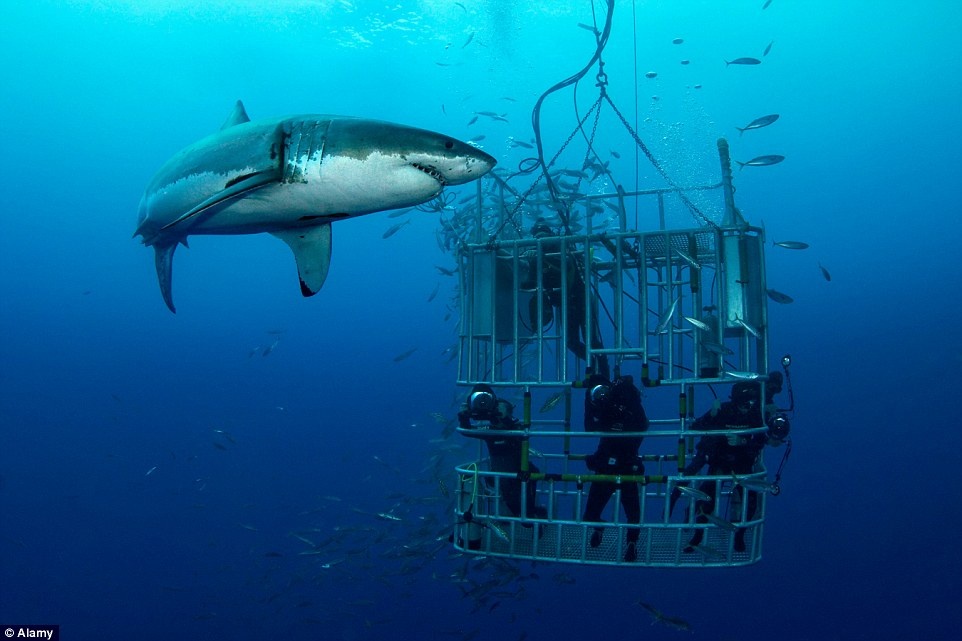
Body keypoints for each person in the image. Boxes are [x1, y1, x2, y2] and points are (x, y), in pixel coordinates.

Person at [671, 375, 785, 552]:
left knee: (751, 501)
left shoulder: (756, 415)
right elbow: (696, 427)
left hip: (742, 462)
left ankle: (739, 534)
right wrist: (713, 414)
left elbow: (761, 440)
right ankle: (697, 537)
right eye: (745, 404)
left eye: (752, 403)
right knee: (707, 498)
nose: (749, 407)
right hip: (719, 460)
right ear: (737, 401)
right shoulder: (724, 410)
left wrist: (743, 442)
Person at [522, 219, 609, 379]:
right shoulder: (535, 255)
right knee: (571, 343)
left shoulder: (563, 247)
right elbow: (530, 284)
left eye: (544, 237)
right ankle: (595, 368)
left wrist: (541, 258)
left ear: (551, 236)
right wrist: (526, 262)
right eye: (538, 238)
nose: (541, 241)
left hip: (581, 299)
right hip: (564, 304)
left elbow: (568, 268)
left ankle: (605, 375)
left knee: (592, 341)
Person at [582, 374, 649, 561]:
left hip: (627, 462)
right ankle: (598, 527)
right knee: (589, 515)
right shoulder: (600, 407)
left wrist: (628, 400)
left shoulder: (626, 400)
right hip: (605, 463)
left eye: (604, 391)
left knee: (633, 514)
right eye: (596, 393)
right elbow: (589, 427)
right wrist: (589, 401)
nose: (601, 395)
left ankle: (632, 543)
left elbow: (643, 425)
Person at [458, 384, 547, 521]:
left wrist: (505, 420)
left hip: (520, 472)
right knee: (514, 506)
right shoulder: (489, 432)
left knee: (524, 509)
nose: (497, 420)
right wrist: (463, 417)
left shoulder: (516, 429)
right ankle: (528, 514)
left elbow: (523, 434)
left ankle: (532, 513)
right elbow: (466, 431)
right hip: (501, 476)